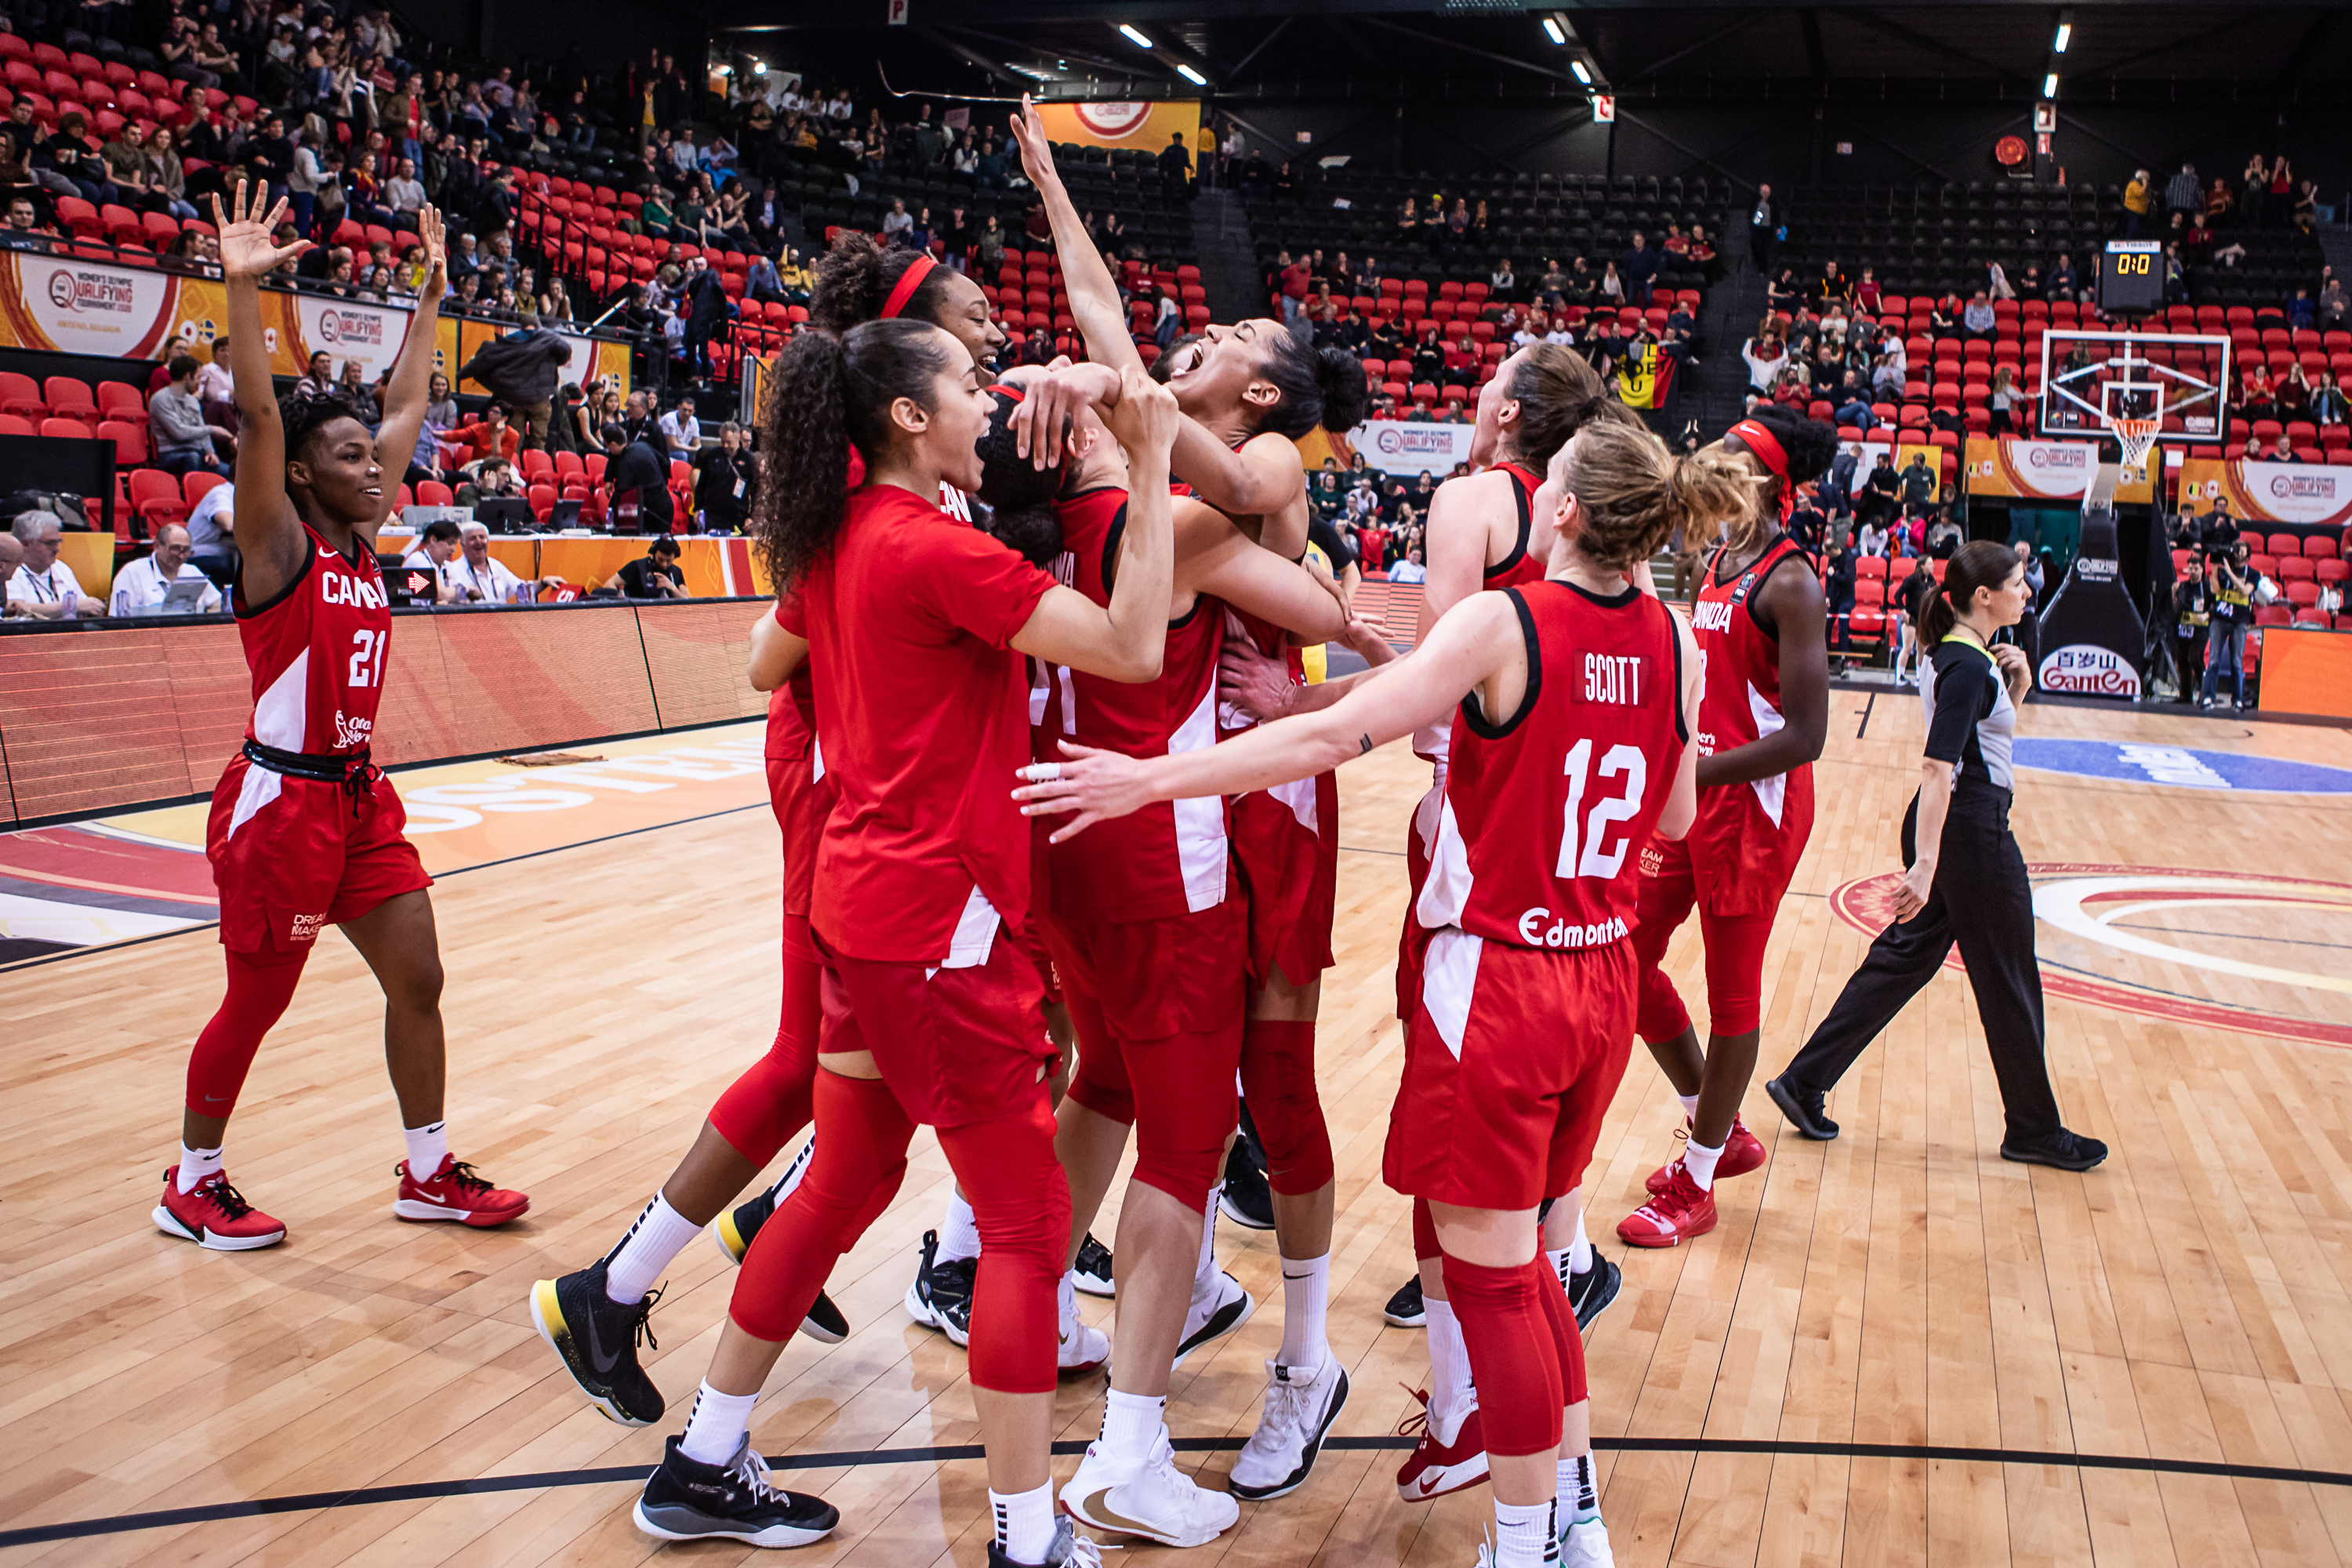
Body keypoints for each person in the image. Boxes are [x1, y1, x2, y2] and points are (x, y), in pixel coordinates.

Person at [1017, 416, 1732, 1568]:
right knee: (1538, 1263)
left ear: (1561, 512)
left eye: (1542, 481)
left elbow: (1335, 735)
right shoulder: (1672, 639)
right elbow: (1680, 818)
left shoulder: (1502, 621)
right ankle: (1575, 1517)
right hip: (1605, 972)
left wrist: (1152, 775)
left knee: (1492, 1283)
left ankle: (1520, 1541)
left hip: (1501, 976)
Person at [624, 318, 1178, 1568]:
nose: (992, 404)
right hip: (936, 929)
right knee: (1031, 1231)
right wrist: (1144, 463)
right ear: (913, 420)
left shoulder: (834, 540)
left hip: (861, 912)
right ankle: (1027, 1541)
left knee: (843, 1181)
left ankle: (704, 1459)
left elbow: (772, 665)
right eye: (974, 387)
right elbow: (1136, 650)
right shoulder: (933, 548)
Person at [1007, 97, 1373, 1494]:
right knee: (1119, 1071)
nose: (1195, 340)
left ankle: (1301, 1354)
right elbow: (1105, 326)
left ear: (1265, 393)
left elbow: (1296, 582)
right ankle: (1064, 1286)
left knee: (1265, 1083)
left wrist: (1111, 394)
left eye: (1226, 345)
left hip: (1258, 800)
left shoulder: (1270, 464)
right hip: (1169, 781)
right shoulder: (1166, 472)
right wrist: (1056, 195)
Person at [980, 380, 1352, 1535]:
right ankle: (1129, 1451)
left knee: (1103, 1081)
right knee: (1187, 1148)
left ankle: (1036, 1311)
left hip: (1065, 862)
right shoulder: (1172, 528)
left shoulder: (1011, 547)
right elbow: (1321, 611)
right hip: (1164, 867)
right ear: (1080, 445)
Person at [156, 183, 526, 1253]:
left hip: (359, 799)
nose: (379, 469)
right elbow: (265, 417)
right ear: (305, 474)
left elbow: (407, 408)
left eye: (377, 457)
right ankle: (193, 1179)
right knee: (256, 1004)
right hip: (281, 804)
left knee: (420, 975)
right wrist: (238, 288)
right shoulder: (279, 544)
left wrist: (435, 301)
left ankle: (426, 1172)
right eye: (354, 458)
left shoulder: (360, 530)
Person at [1766, 540, 2107, 1171]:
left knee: (1900, 964)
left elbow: (1978, 746)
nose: (2027, 592)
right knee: (2009, 976)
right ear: (1984, 596)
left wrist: (2020, 688)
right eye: (2018, 583)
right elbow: (1938, 765)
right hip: (1969, 832)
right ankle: (2033, 1128)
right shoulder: (1967, 667)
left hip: (1959, 827)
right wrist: (1926, 864)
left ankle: (1804, 1081)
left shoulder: (1961, 655)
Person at [1618, 408, 1833, 1250]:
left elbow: (1806, 734)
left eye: (1734, 456)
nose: (1713, 462)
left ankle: (1698, 1180)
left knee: (1731, 991)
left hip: (1756, 807)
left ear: (1768, 482)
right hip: (1695, 793)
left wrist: (1691, 769)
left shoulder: (1791, 581)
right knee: (1623, 950)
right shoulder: (1715, 559)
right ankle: (1716, 1122)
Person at [5, 511, 107, 619]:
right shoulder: (9, 570)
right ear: (25, 544)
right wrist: (71, 606)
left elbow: (85, 606)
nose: (57, 549)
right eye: (50, 543)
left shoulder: (61, 568)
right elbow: (16, 610)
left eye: (58, 542)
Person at [151, 354, 237, 476]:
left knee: (235, 475)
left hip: (199, 454)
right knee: (193, 457)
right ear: (187, 377)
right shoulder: (160, 399)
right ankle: (193, 491)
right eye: (198, 378)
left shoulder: (192, 400)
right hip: (171, 454)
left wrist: (210, 452)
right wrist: (212, 429)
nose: (200, 383)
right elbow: (179, 433)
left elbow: (202, 430)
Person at [111, 524, 223, 615]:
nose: (181, 556)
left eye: (186, 550)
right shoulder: (131, 572)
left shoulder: (192, 571)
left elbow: (218, 602)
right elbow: (119, 617)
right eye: (175, 549)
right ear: (157, 546)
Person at [444, 519, 562, 602]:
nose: (479, 541)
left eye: (482, 537)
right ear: (463, 544)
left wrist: (543, 582)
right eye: (473, 538)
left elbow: (522, 590)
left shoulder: (496, 566)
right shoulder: (452, 570)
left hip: (500, 625)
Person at [2199, 538, 2253, 708]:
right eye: (2237, 549)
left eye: (2242, 550)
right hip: (2220, 619)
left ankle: (2237, 699)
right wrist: (2215, 567)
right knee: (2214, 659)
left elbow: (2245, 590)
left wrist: (2230, 573)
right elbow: (2215, 590)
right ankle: (2208, 696)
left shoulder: (2252, 574)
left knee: (2237, 661)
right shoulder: (2223, 571)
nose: (2239, 552)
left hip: (2239, 621)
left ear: (2248, 555)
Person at [601, 422, 676, 533]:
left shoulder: (626, 463)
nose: (608, 451)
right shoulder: (643, 445)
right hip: (666, 502)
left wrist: (610, 512)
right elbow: (664, 463)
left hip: (652, 514)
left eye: (607, 446)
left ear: (613, 444)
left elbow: (622, 494)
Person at [693, 421, 756, 533]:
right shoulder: (712, 456)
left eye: (729, 442)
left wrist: (751, 516)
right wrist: (697, 508)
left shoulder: (749, 460)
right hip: (713, 516)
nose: (725, 446)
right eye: (722, 442)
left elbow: (756, 491)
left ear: (738, 437)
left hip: (738, 516)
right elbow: (701, 485)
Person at [399, 517, 463, 602]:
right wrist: (463, 592)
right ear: (433, 540)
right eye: (450, 543)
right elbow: (441, 594)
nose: (453, 549)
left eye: (454, 544)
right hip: (415, 614)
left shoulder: (446, 566)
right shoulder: (417, 560)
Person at [608, 534, 688, 598]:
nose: (664, 564)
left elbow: (689, 603)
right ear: (653, 553)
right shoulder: (637, 567)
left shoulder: (676, 572)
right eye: (660, 559)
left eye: (669, 561)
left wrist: (673, 588)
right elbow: (609, 584)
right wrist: (621, 603)